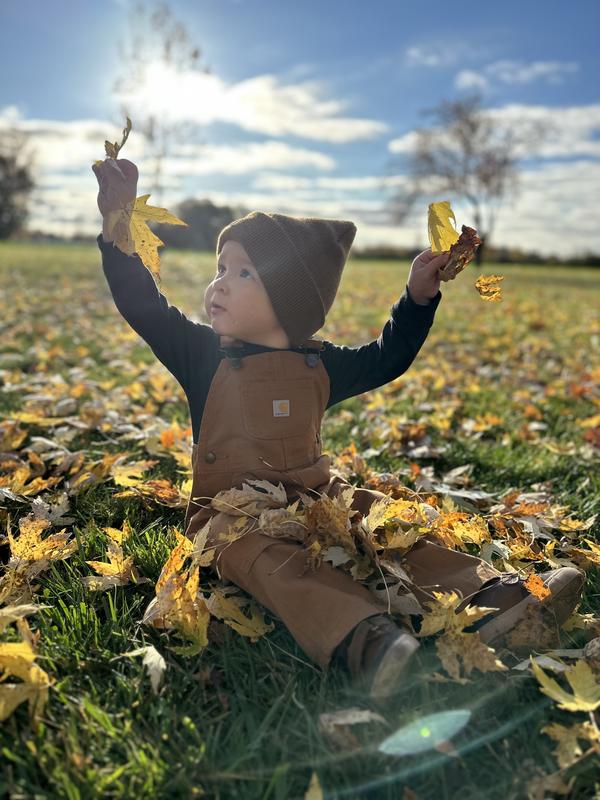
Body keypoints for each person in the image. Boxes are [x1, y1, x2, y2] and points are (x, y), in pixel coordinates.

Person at [92, 158, 586, 699]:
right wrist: (118, 222)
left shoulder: (320, 364)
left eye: (243, 273)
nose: (219, 285)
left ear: (290, 300)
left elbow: (387, 357)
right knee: (266, 557)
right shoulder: (201, 355)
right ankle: (363, 638)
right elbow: (141, 303)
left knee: (378, 525)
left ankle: (491, 596)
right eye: (220, 269)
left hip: (317, 496)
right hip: (232, 513)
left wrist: (418, 298)